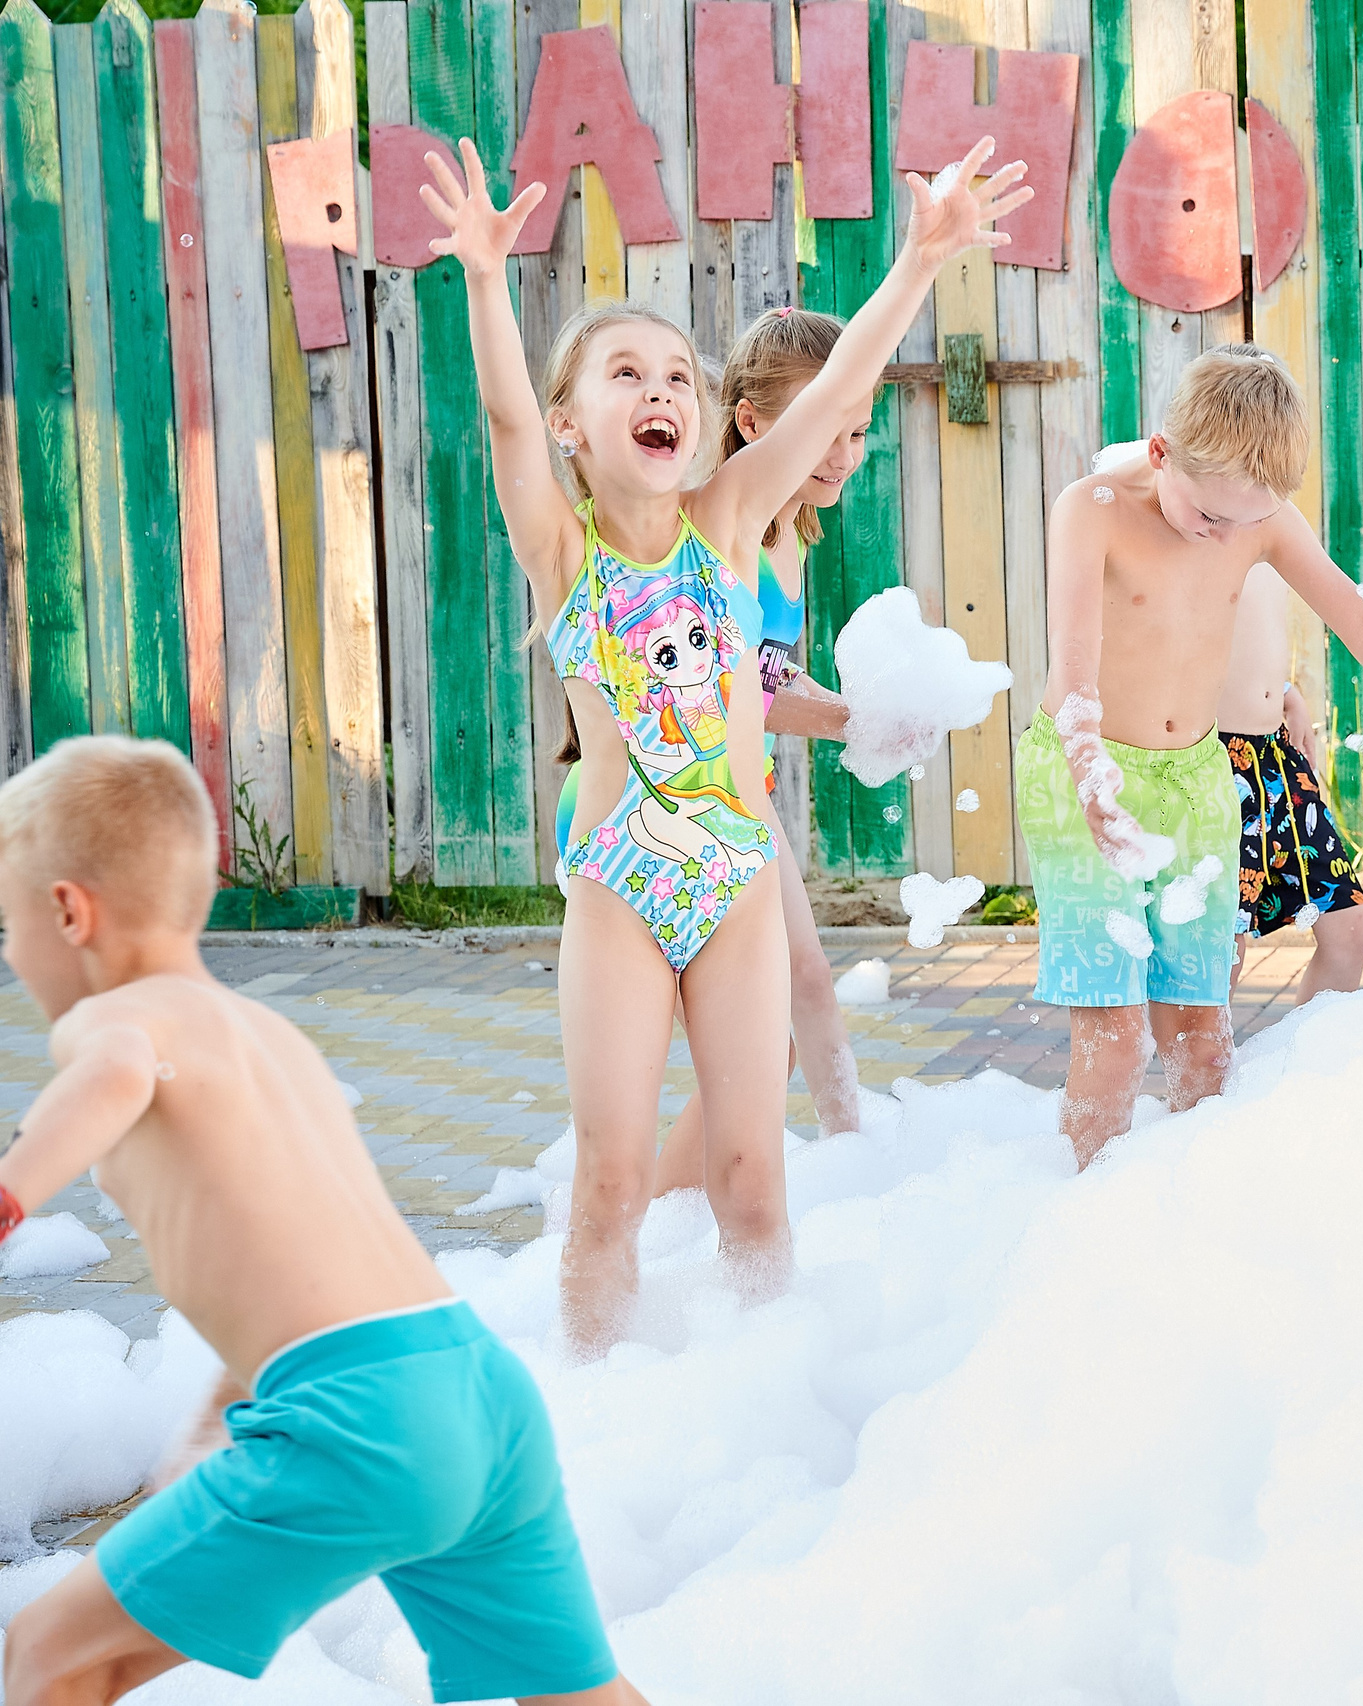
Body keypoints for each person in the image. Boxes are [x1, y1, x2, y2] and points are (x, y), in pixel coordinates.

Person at [422, 134, 1027, 1357]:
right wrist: (487, 278)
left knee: (753, 1175)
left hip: (736, 882)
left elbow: (833, 391)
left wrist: (918, 260)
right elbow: (497, 417)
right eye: (624, 375)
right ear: (574, 427)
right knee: (613, 1178)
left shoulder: (732, 519)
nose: (659, 391)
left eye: (677, 379)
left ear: (701, 423)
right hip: (620, 889)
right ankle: (594, 1415)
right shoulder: (564, 553)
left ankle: (756, 1405)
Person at [0, 738, 643, 1705]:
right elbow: (290, 1258)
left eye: (9, 928)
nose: (12, 954)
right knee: (573, 1694)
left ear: (67, 912)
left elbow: (114, 1071)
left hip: (356, 1418)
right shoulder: (272, 1041)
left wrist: (12, 1190)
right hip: (475, 1388)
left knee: (50, 1656)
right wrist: (214, 1422)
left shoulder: (117, 1019)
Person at [1027, 343, 1363, 1166]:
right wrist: (1089, 775)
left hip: (1196, 778)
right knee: (1113, 1043)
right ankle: (1082, 1222)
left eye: (1249, 521)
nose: (1228, 536)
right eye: (1210, 517)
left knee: (1205, 1044)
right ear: (1161, 454)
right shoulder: (1093, 508)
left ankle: (1188, 1205)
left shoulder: (1258, 518)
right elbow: (1074, 675)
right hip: (1085, 765)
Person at [552, 305, 891, 1171]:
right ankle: (673, 1198)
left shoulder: (791, 534)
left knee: (784, 1011)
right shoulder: (729, 520)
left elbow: (754, 677)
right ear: (748, 422)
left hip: (728, 799)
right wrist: (840, 717)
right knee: (779, 1003)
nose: (844, 452)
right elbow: (732, 686)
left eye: (859, 432)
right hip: (650, 801)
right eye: (830, 429)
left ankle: (837, 1160)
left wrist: (846, 710)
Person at [1217, 561, 1363, 1001]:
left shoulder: (1271, 514)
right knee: (1219, 949)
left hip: (1274, 754)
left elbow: (1249, 629)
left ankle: (1299, 1068)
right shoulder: (1194, 506)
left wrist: (1284, 691)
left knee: (1350, 929)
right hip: (1212, 756)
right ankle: (1204, 1071)